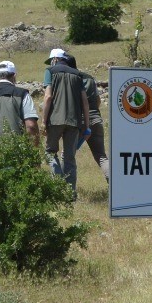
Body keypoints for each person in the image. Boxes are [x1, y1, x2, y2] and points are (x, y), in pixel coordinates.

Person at [41, 48, 88, 195]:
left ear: (55, 59)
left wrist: (43, 121)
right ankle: (70, 193)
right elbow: (85, 103)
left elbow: (48, 97)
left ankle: (58, 184)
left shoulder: (50, 71)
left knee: (49, 152)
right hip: (74, 122)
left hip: (55, 120)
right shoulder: (77, 74)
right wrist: (86, 125)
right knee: (69, 158)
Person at [61, 51, 109, 182]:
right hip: (96, 120)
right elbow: (98, 101)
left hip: (77, 122)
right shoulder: (89, 77)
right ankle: (114, 182)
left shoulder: (69, 79)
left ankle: (65, 188)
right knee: (101, 156)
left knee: (67, 155)